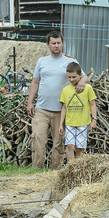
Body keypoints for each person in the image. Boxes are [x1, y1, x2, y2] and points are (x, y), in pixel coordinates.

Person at [26, 31, 86, 168]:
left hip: (61, 111)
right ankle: (37, 170)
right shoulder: (41, 61)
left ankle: (56, 170)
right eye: (53, 43)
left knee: (59, 143)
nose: (56, 46)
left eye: (59, 43)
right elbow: (35, 82)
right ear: (48, 44)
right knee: (38, 139)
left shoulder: (71, 61)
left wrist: (82, 82)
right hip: (41, 109)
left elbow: (84, 76)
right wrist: (30, 102)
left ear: (62, 44)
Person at [59, 61, 97, 166]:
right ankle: (70, 167)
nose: (71, 80)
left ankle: (78, 167)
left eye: (74, 77)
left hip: (83, 123)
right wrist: (61, 124)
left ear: (80, 75)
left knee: (79, 149)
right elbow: (64, 108)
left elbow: (93, 104)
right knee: (69, 146)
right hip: (70, 123)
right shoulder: (66, 90)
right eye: (69, 77)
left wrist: (94, 120)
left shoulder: (88, 88)